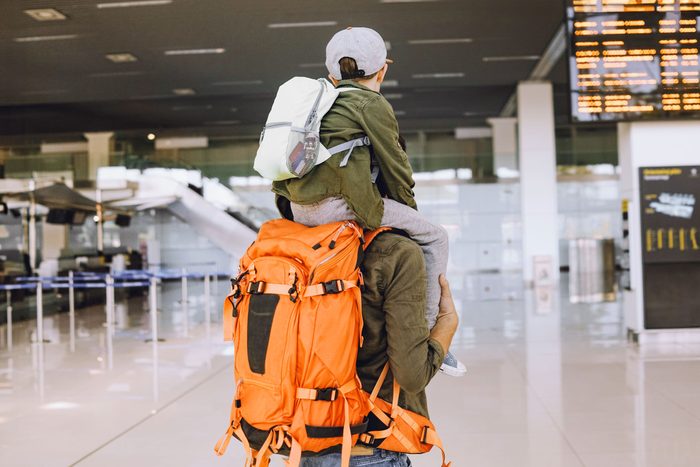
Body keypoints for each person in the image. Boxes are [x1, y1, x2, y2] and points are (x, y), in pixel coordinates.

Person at [273, 26, 465, 376]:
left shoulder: (314, 100)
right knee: (436, 236)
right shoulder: (369, 103)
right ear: (383, 69)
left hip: (299, 208)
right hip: (340, 205)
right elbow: (396, 166)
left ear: (332, 72)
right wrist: (409, 216)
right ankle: (424, 336)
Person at [299, 231, 459, 466]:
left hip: (306, 439)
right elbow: (412, 375)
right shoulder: (396, 251)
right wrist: (446, 324)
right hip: (370, 446)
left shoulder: (300, 243)